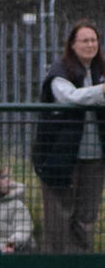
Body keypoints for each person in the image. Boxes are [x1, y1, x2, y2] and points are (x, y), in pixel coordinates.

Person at [33, 19, 103, 254]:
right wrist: (101, 91)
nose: (90, 45)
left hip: (95, 157)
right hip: (59, 156)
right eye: (84, 40)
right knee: (58, 215)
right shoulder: (59, 71)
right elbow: (70, 97)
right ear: (72, 44)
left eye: (94, 40)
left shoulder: (100, 69)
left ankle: (80, 264)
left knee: (86, 215)